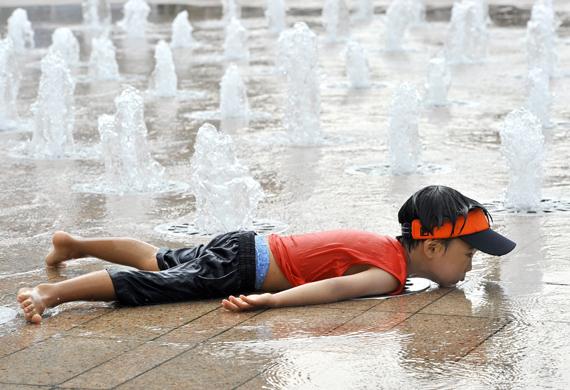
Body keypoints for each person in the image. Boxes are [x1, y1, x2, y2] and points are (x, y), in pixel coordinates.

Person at [17, 185, 516, 324]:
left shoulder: (387, 247)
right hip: (244, 267)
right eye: (469, 253)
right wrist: (271, 303)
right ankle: (52, 293)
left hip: (248, 243)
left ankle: (72, 244)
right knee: (157, 284)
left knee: (158, 259)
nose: (473, 263)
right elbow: (334, 289)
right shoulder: (387, 273)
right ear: (432, 245)